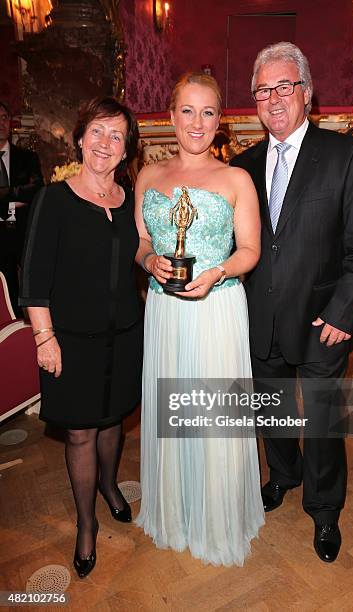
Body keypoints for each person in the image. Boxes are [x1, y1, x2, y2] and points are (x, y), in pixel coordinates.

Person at [230, 42, 353, 563]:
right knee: (270, 411)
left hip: (323, 321)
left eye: (284, 86)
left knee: (321, 420)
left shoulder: (347, 155)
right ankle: (284, 476)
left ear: (307, 93)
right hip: (260, 316)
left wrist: (344, 314)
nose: (273, 99)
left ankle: (324, 510)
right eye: (263, 89)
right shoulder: (240, 167)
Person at [134, 72, 264, 566]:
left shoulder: (236, 180)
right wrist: (149, 261)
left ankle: (216, 515)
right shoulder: (148, 176)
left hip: (217, 309)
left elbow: (250, 249)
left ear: (220, 122)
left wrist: (218, 272)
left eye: (208, 112)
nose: (197, 122)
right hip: (165, 311)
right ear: (170, 118)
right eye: (187, 111)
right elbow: (143, 241)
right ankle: (177, 508)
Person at [19, 97, 143, 578]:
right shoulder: (54, 199)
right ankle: (86, 523)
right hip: (71, 341)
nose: (105, 144)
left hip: (126, 333)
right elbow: (33, 278)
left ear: (125, 148)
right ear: (79, 137)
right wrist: (44, 338)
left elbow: (136, 253)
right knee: (80, 431)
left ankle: (111, 486)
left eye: (116, 136)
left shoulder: (127, 199)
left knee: (113, 420)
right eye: (97, 131)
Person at [0, 101, 43, 315]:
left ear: (10, 123)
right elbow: (23, 192)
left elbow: (36, 190)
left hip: (23, 230)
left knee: (31, 285)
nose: (0, 123)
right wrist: (15, 196)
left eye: (4, 118)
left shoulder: (27, 157)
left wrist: (4, 193)